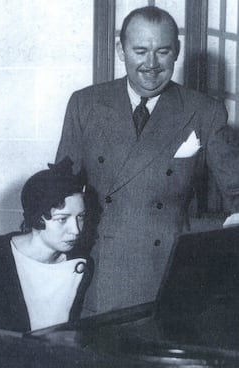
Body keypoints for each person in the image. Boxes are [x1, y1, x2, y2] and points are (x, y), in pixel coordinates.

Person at [56, 6, 239, 315]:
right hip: (100, 270)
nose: (151, 65)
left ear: (176, 52)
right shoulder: (84, 104)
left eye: (163, 52)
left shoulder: (205, 111)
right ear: (120, 50)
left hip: (169, 273)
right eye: (140, 51)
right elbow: (61, 191)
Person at [0, 157, 95, 332]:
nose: (76, 230)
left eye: (81, 217)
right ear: (36, 217)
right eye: (62, 219)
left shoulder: (82, 263)